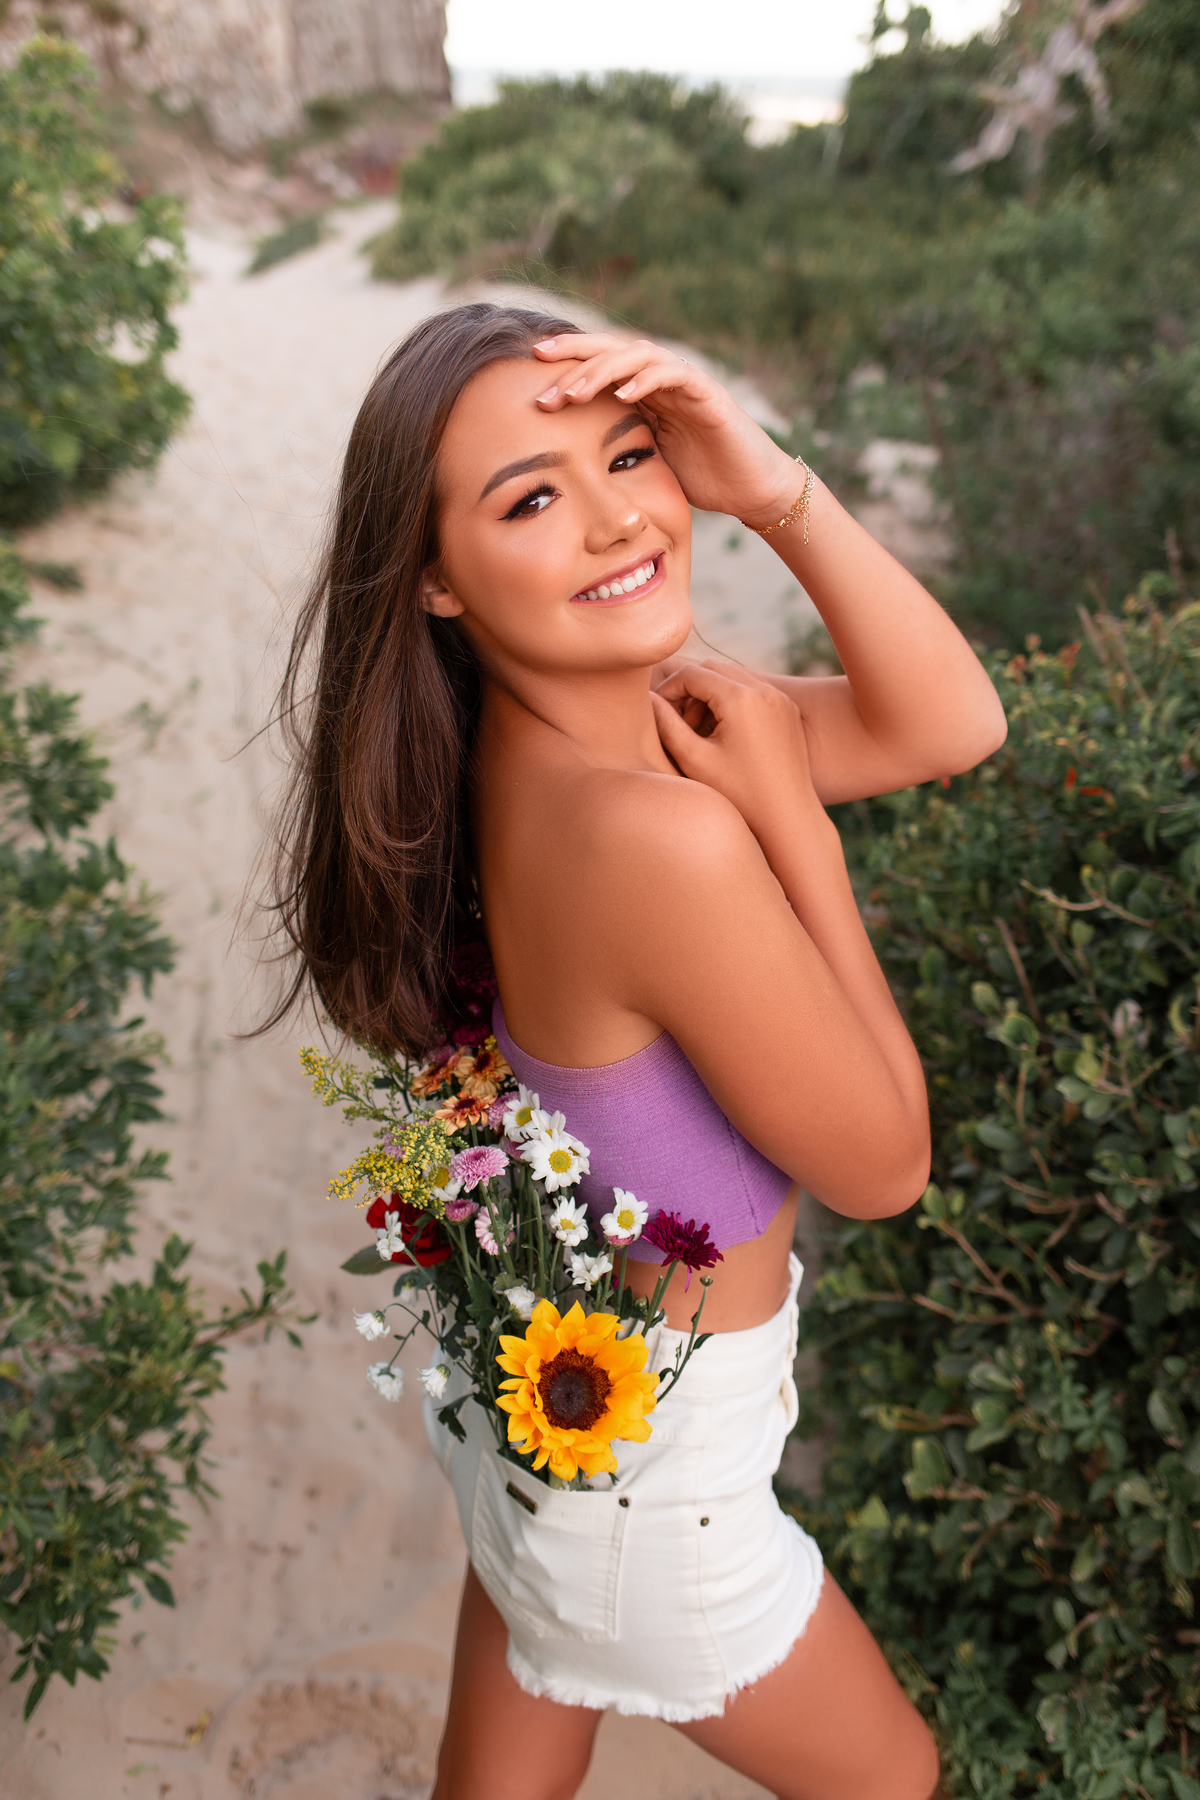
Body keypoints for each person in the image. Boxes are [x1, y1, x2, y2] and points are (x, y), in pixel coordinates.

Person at [266, 303, 1007, 1800]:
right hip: (660, 1507)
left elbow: (948, 725)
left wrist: (769, 483)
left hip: (540, 1443)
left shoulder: (530, 757)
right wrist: (792, 826)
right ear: (433, 580)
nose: (619, 517)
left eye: (633, 452)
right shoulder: (653, 831)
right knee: (899, 1782)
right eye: (530, 497)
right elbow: (887, 1165)